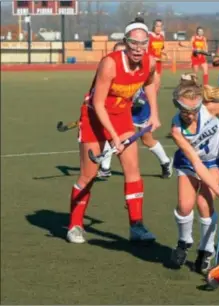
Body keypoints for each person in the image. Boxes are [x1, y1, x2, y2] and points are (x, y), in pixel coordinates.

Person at [67, 17, 161, 244]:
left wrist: (154, 113)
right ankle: (75, 225)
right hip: (94, 118)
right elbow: (98, 104)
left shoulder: (149, 62)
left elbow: (149, 83)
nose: (138, 49)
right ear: (126, 42)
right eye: (133, 43)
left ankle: (136, 226)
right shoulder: (109, 63)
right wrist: (114, 138)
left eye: (142, 43)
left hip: (122, 116)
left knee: (133, 170)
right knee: (89, 175)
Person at [169, 73, 219, 274]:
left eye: (193, 110)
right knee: (184, 206)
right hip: (191, 162)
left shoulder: (210, 109)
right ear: (177, 105)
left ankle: (206, 250)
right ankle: (184, 242)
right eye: (185, 110)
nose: (190, 115)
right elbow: (195, 163)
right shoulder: (177, 130)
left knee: (203, 203)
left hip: (216, 160)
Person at [147, 19, 167, 94]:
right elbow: (146, 51)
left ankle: (151, 101)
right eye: (157, 26)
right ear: (153, 26)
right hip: (151, 63)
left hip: (159, 63)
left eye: (160, 26)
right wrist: (153, 58)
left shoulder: (161, 37)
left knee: (157, 85)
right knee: (155, 82)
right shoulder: (149, 37)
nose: (159, 28)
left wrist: (166, 53)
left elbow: (161, 48)